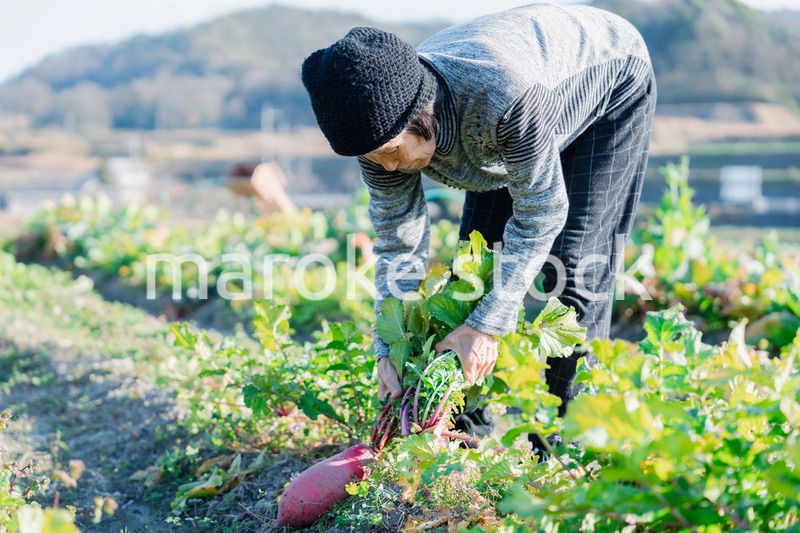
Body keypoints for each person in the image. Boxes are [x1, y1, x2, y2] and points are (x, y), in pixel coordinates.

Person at [300, 3, 657, 456]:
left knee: (571, 271)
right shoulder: (377, 139)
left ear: (421, 112)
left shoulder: (501, 98)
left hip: (607, 84)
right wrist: (388, 347)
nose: (387, 167)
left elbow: (542, 212)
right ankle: (464, 432)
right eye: (373, 159)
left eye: (392, 151)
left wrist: (487, 326)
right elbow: (397, 239)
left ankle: (573, 449)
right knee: (473, 269)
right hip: (499, 124)